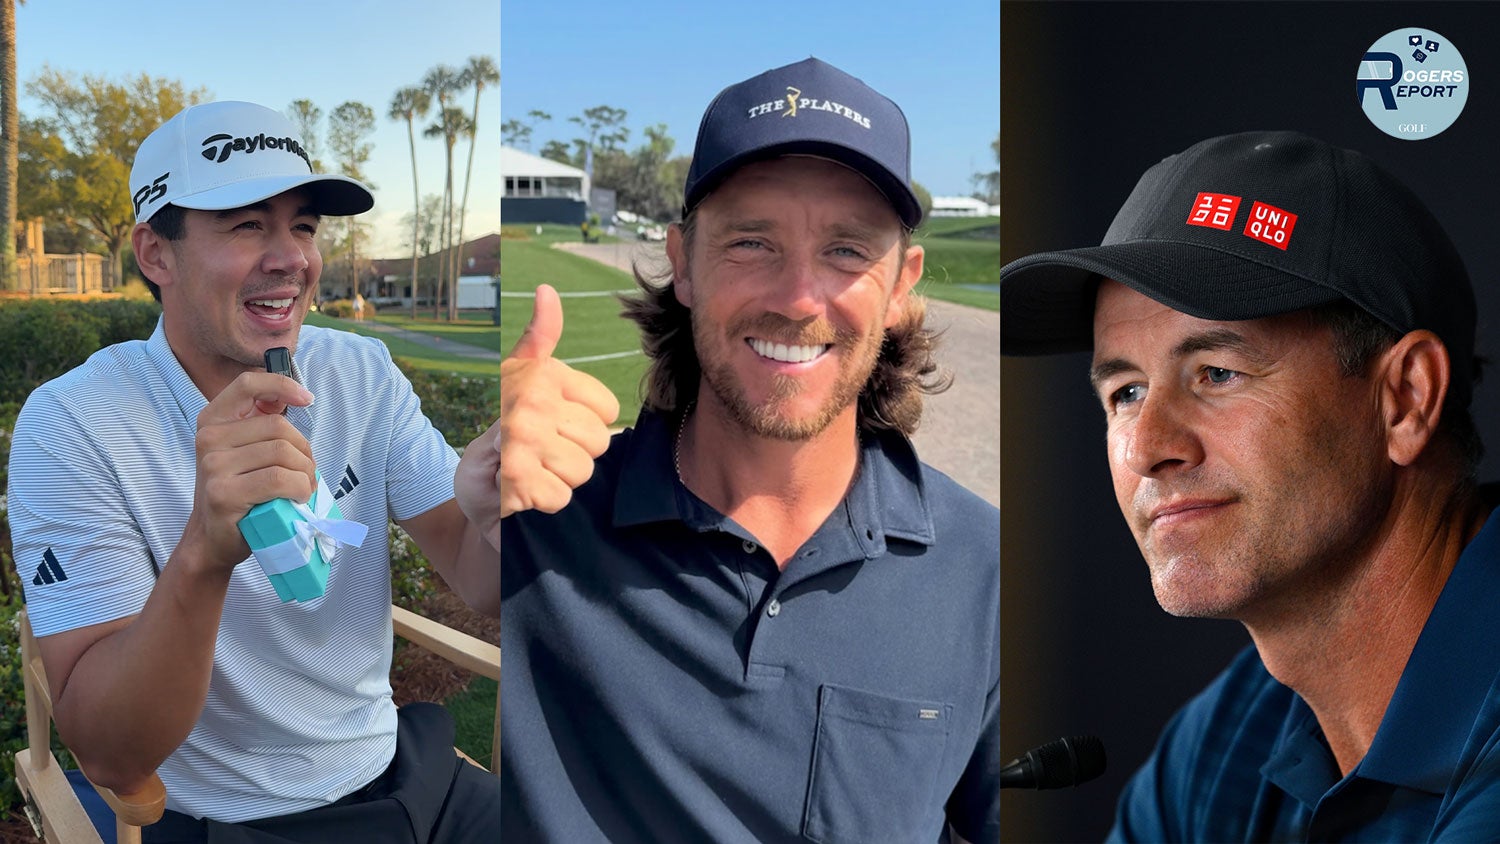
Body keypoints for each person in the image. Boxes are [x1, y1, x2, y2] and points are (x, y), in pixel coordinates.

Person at [499, 57, 999, 841]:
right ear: (683, 263)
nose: (799, 298)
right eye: (751, 242)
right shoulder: (543, 508)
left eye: (846, 251)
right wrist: (482, 467)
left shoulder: (989, 571)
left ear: (902, 285)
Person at [8, 100, 501, 841]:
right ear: (156, 253)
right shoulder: (74, 423)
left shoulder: (359, 371)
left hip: (402, 773)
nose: (292, 257)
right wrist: (204, 556)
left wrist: (503, 513)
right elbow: (110, 751)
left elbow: (479, 578)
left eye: (302, 225)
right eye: (246, 224)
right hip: (222, 817)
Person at [1000, 130, 1499, 840]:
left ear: (1406, 400)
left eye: (1217, 374)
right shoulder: (1225, 739)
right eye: (1127, 391)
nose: (1146, 448)